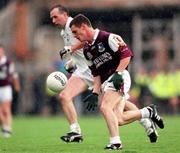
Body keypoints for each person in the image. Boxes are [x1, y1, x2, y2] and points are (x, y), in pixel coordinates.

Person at [50, 5, 159, 144]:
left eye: (55, 17)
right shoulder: (64, 32)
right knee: (64, 95)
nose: (53, 20)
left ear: (65, 15)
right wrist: (72, 62)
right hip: (84, 71)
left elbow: (87, 42)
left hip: (95, 71)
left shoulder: (74, 26)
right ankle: (76, 131)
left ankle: (145, 121)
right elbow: (83, 51)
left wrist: (70, 48)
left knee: (119, 105)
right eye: (51, 18)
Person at [0, 44, 20, 137]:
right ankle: (4, 124)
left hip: (6, 87)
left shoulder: (8, 62)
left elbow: (14, 74)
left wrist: (16, 85)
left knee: (6, 108)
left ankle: (7, 128)